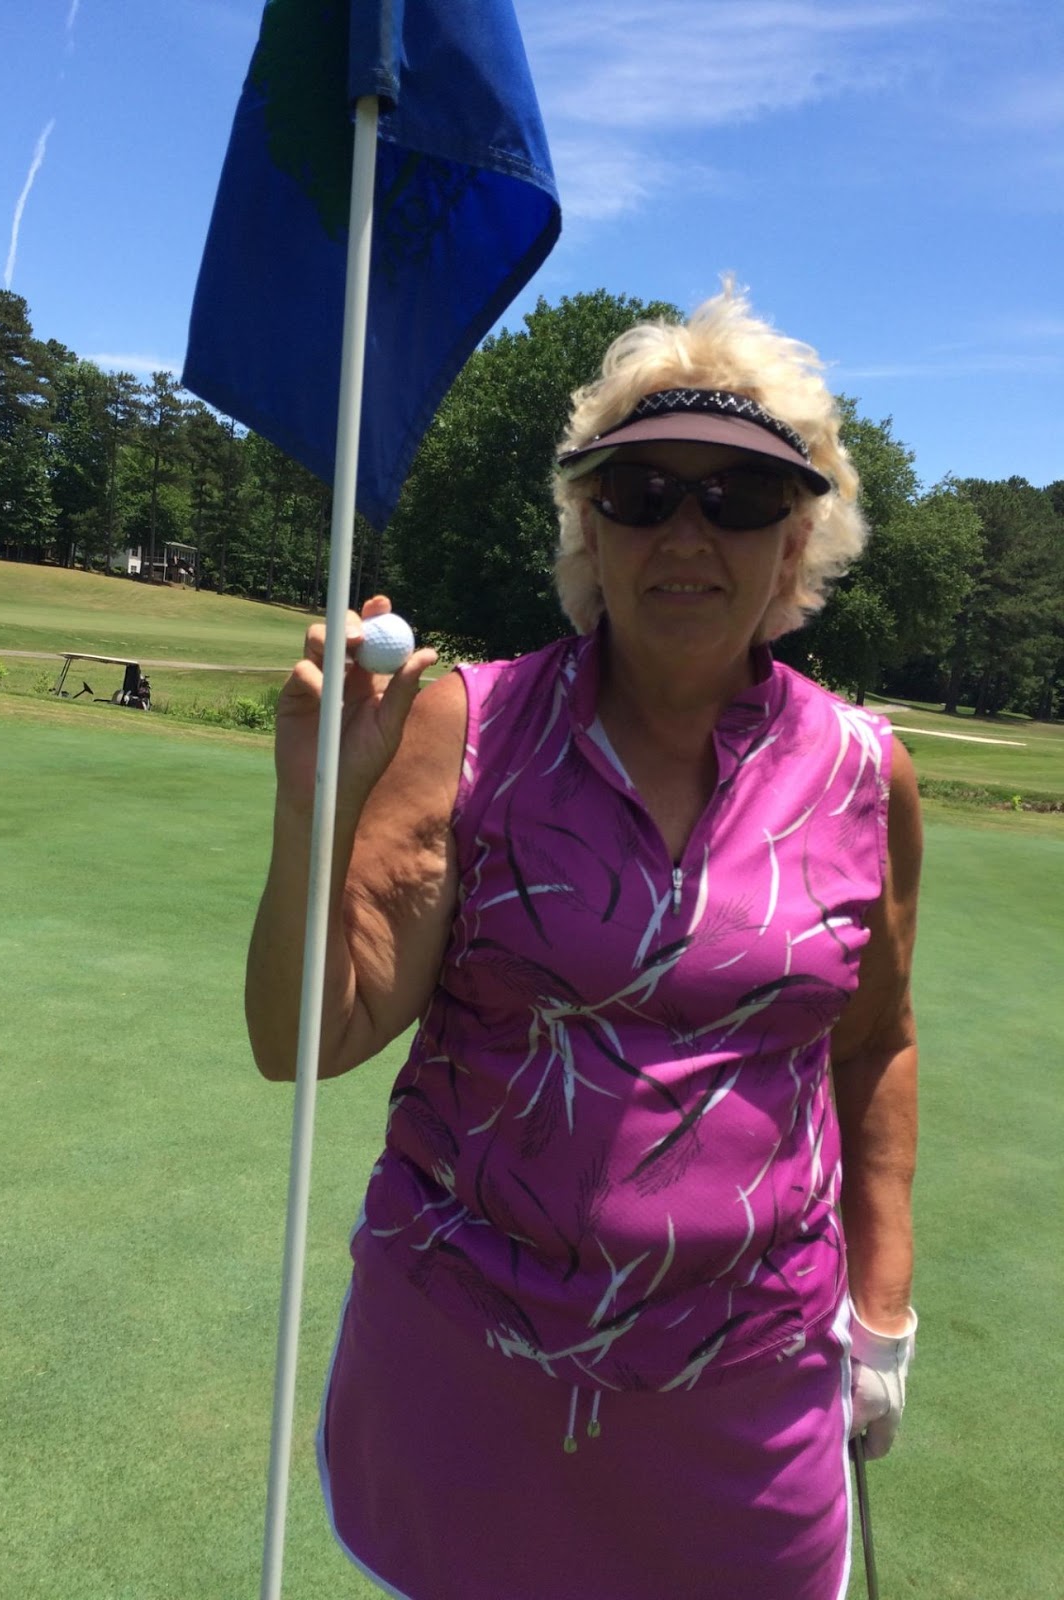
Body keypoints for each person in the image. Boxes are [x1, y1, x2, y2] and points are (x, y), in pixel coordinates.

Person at [246, 283, 921, 1600]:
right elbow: (303, 1035)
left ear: (798, 543)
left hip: (750, 1394)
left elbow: (877, 1041)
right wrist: (310, 806)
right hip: (466, 1375)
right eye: (641, 493)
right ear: (588, 530)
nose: (687, 530)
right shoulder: (469, 726)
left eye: (740, 499)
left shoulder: (862, 771)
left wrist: (883, 1301)